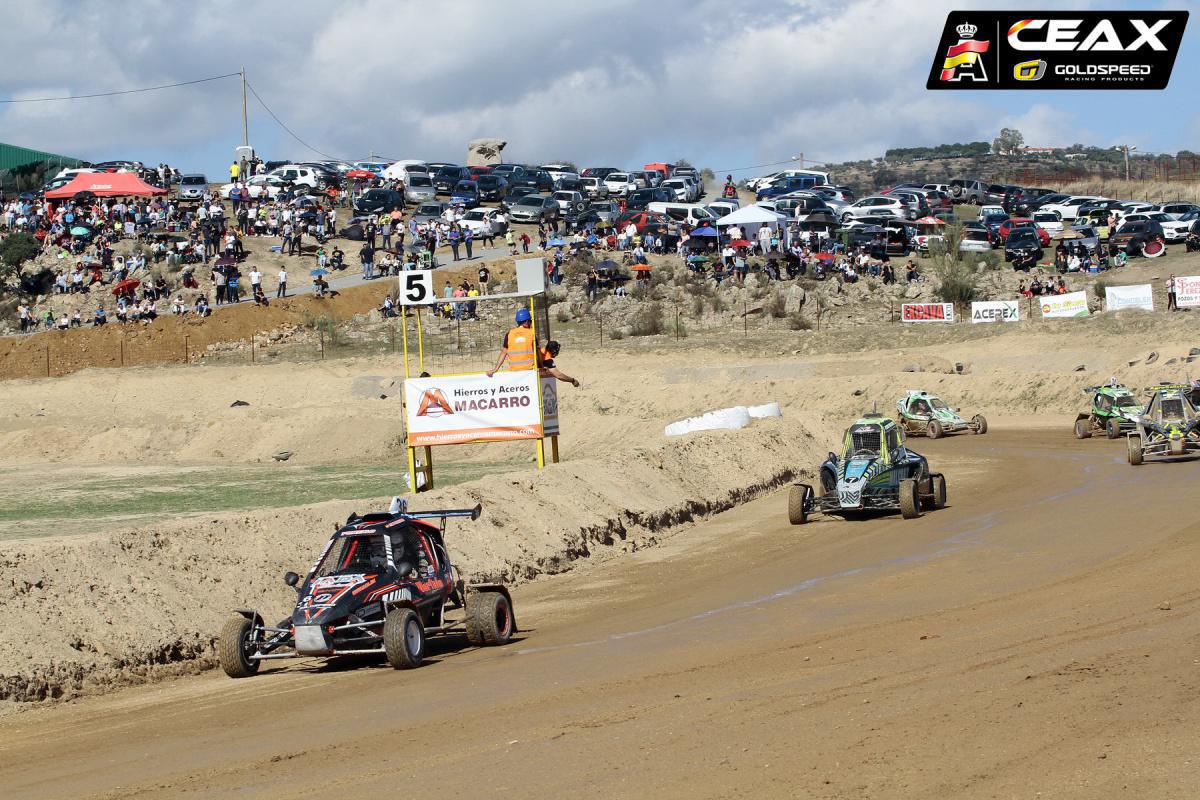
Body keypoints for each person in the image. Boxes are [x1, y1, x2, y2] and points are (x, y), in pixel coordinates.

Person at [487, 308, 537, 375]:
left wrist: (496, 369)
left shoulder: (509, 334)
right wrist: (542, 366)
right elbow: (538, 351)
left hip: (514, 371)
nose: (531, 323)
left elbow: (504, 352)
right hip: (530, 371)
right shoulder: (532, 333)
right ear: (526, 322)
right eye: (530, 321)